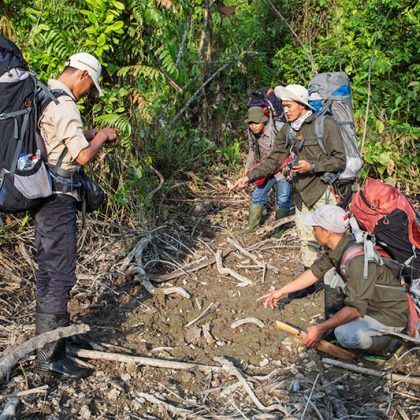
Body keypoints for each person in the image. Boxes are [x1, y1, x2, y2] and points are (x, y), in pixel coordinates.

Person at [34, 53, 119, 378]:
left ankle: (47, 347)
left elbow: (57, 142)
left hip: (42, 192)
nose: (88, 92)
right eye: (89, 87)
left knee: (47, 273)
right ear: (82, 75)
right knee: (59, 275)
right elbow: (82, 155)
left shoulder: (43, 95)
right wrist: (99, 137)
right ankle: (51, 359)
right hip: (58, 199)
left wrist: (92, 131)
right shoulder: (65, 103)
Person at [233, 84, 346, 305]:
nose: (285, 110)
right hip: (302, 192)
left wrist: (312, 166)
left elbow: (339, 160)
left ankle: (341, 284)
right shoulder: (287, 130)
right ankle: (310, 284)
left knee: (334, 240)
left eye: (288, 105)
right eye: (283, 106)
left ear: (303, 105)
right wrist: (248, 177)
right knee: (306, 240)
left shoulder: (325, 124)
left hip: (324, 190)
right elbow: (274, 160)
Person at [258, 205, 409, 355]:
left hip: (389, 313)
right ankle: (332, 326)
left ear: (328, 232)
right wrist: (281, 291)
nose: (313, 231)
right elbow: (314, 273)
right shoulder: (340, 247)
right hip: (369, 302)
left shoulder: (357, 261)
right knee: (330, 275)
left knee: (346, 335)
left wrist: (319, 328)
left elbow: (355, 309)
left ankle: (391, 342)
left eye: (315, 228)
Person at [237, 106, 291, 234]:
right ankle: (252, 226)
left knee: (283, 197)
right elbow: (252, 149)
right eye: (250, 123)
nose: (253, 126)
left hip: (282, 166)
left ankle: (279, 230)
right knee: (258, 195)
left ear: (264, 121)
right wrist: (247, 167)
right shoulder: (252, 133)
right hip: (265, 167)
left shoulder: (277, 128)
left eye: (256, 123)